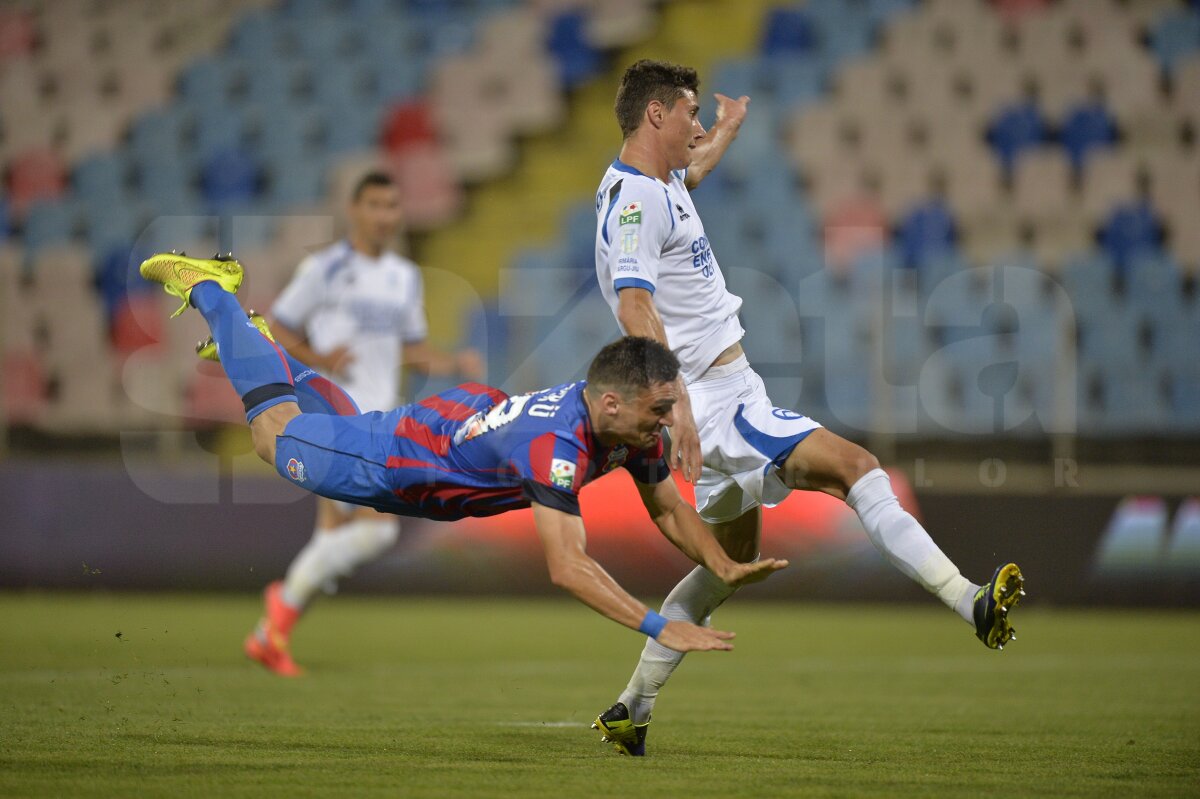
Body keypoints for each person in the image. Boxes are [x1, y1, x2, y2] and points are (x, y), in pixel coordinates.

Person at [589, 59, 1025, 756]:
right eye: (693, 113)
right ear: (656, 116)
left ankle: (630, 706)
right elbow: (638, 303)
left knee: (727, 564)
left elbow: (691, 176)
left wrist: (727, 131)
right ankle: (969, 598)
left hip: (715, 397)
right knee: (856, 466)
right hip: (714, 399)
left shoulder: (648, 187)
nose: (699, 126)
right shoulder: (641, 203)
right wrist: (675, 405)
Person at [139, 251, 791, 663]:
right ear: (614, 403)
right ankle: (214, 293)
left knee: (325, 421)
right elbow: (567, 565)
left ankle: (249, 341)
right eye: (660, 409)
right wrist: (658, 625)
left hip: (450, 428)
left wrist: (720, 562)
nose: (669, 421)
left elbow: (669, 506)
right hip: (394, 460)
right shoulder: (556, 448)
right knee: (276, 437)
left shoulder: (624, 427)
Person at [238, 170, 483, 676]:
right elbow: (276, 328)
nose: (384, 215)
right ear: (355, 210)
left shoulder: (404, 276)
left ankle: (275, 624)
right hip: (332, 415)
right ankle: (277, 617)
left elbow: (409, 349)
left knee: (335, 533)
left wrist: (453, 363)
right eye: (374, 204)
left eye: (392, 206)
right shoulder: (324, 269)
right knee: (376, 532)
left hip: (382, 417)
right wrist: (318, 354)